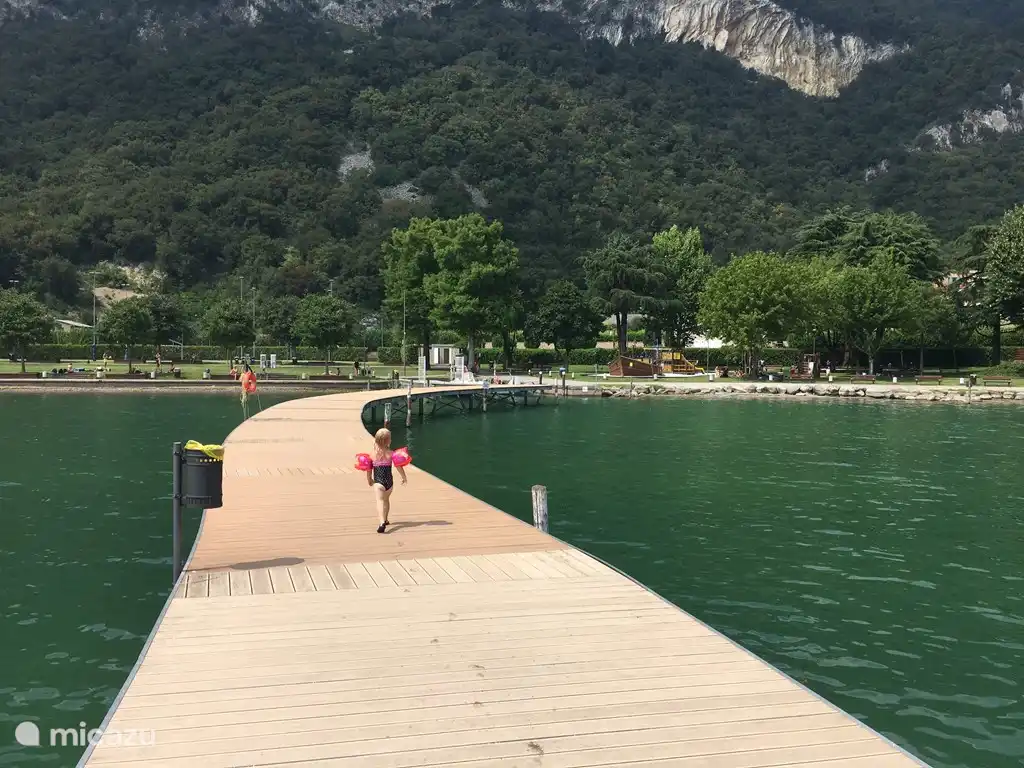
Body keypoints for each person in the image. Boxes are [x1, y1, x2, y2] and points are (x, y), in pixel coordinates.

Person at [365, 427, 407, 533]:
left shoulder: (372, 455)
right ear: (388, 441)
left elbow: (368, 469)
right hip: (389, 483)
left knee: (380, 501)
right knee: (386, 500)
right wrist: (403, 477)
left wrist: (369, 480)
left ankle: (382, 522)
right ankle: (386, 519)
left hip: (378, 482)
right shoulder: (391, 453)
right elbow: (398, 466)